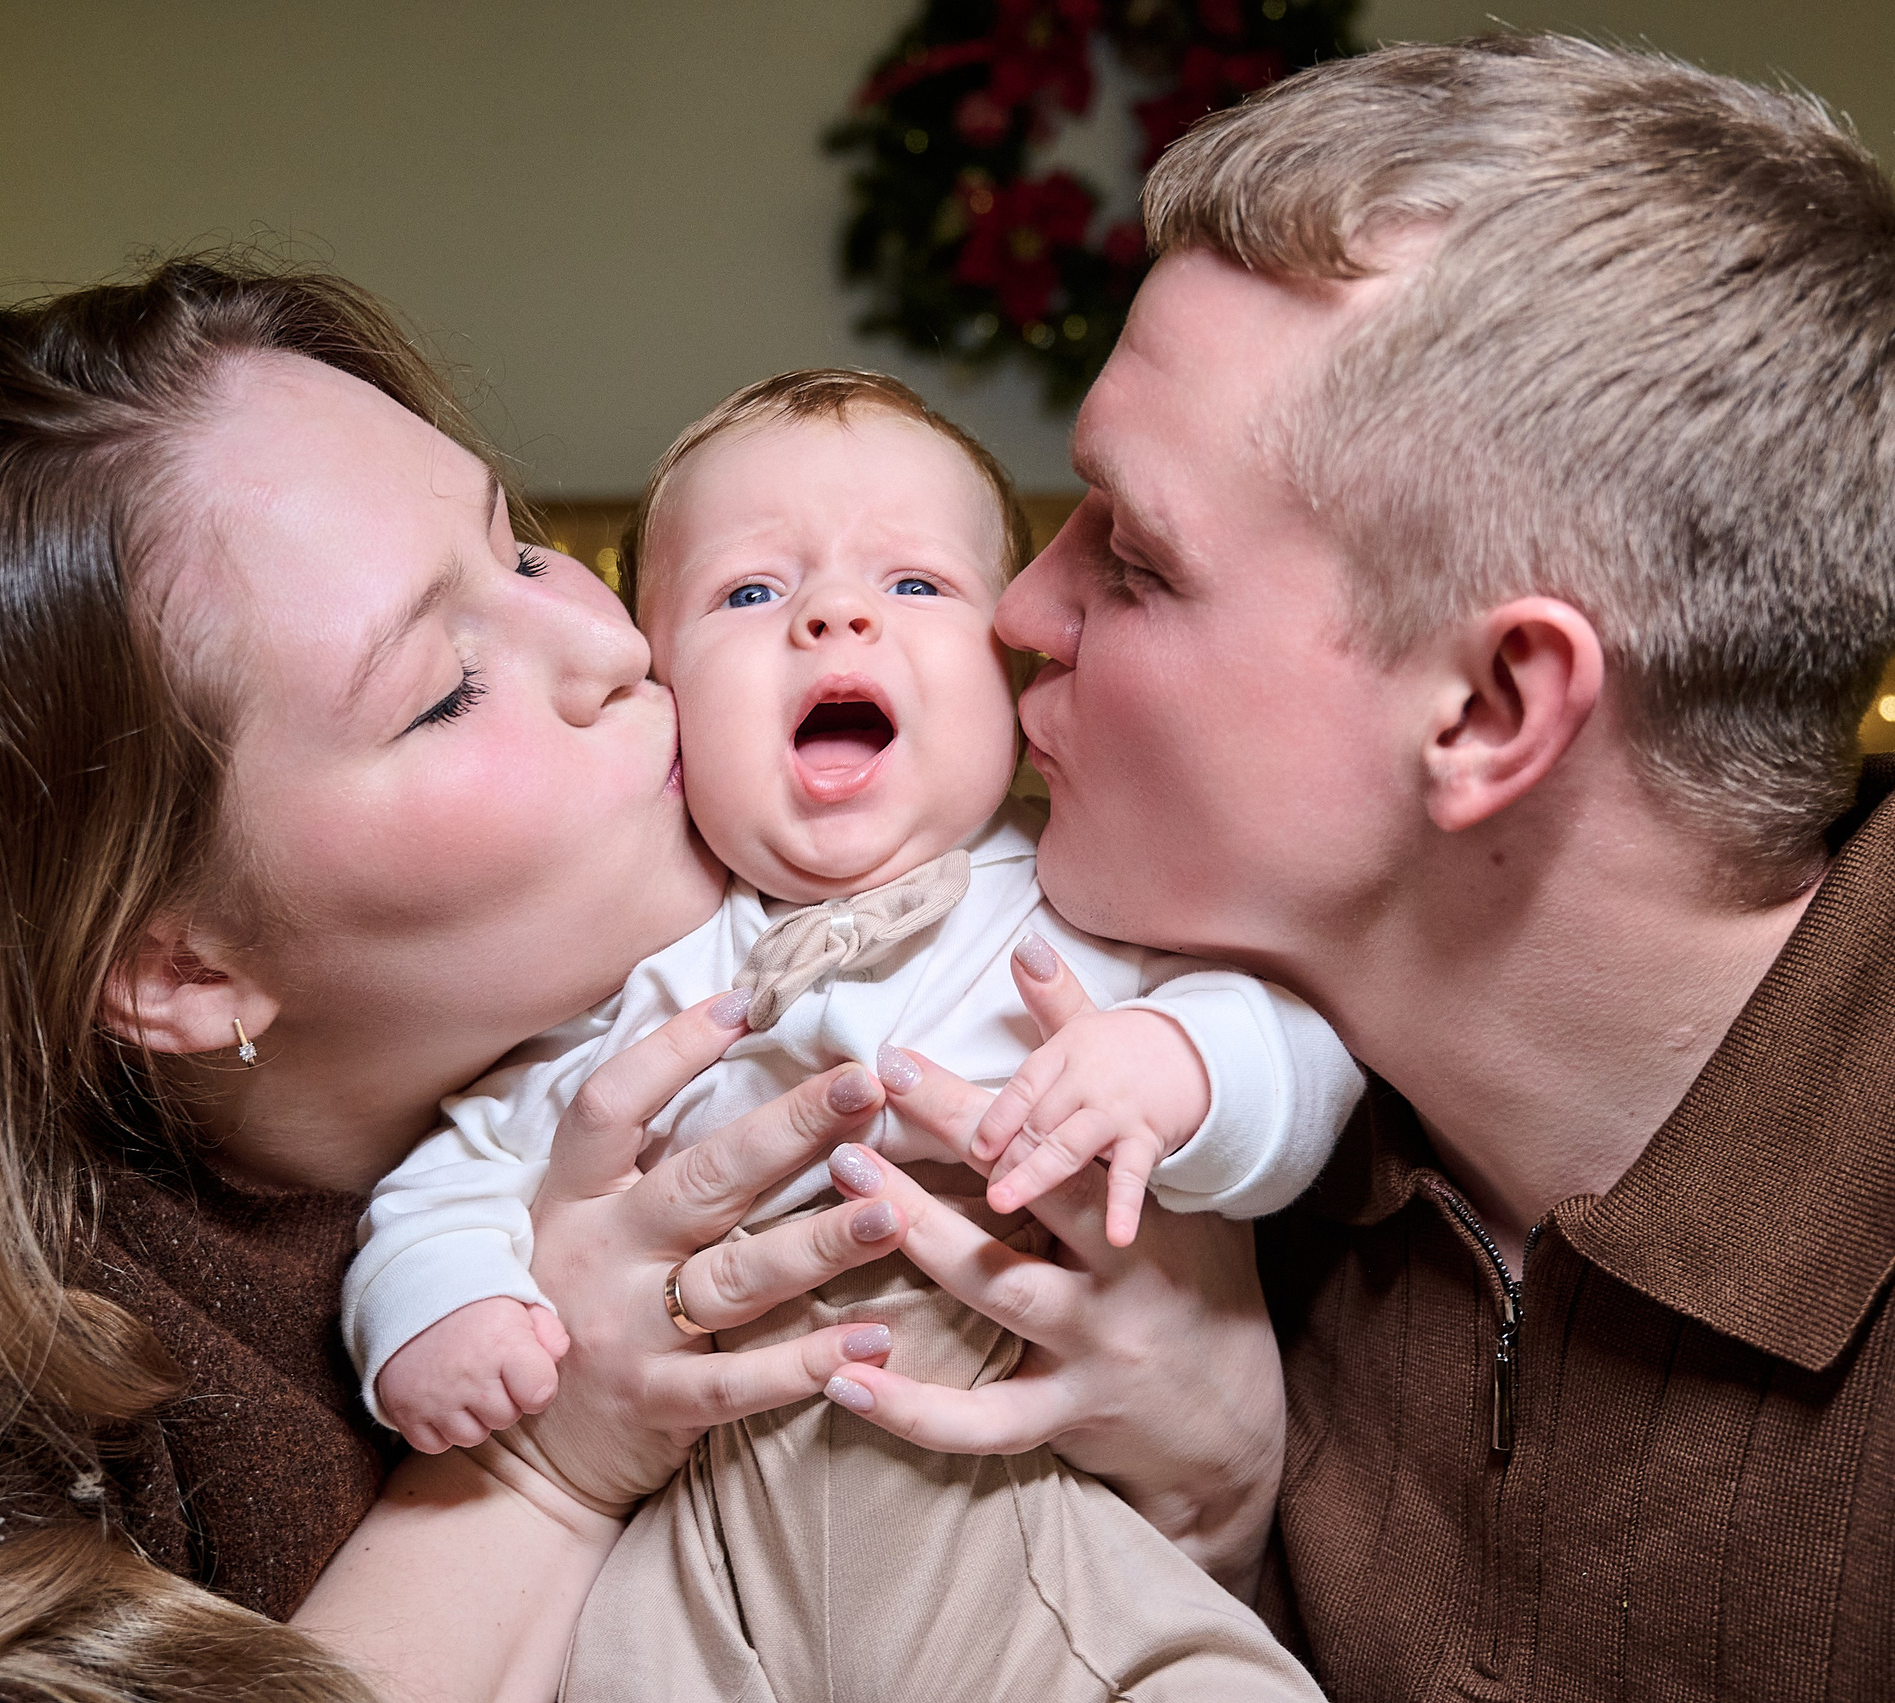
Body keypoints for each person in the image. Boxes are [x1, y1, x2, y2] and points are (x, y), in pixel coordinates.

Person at [823, 35, 1895, 1700]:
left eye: (1132, 558)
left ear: (1493, 709)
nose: (1017, 614)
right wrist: (1213, 1514)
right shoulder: (1129, 1114)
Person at [0, 259, 926, 1702]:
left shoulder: (877, 942)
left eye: (518, 549)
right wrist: (546, 1471)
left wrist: (1203, 1445)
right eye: (445, 688)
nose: (614, 643)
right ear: (180, 968)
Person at [346, 369, 1355, 1699]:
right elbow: (462, 1165)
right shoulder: (635, 970)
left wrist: (1180, 1069)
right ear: (663, 702)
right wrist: (433, 1309)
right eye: (749, 594)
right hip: (706, 1570)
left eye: (919, 586)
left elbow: (1295, 1050)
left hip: (1025, 1547)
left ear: (1011, 680)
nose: (833, 612)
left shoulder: (1076, 905)